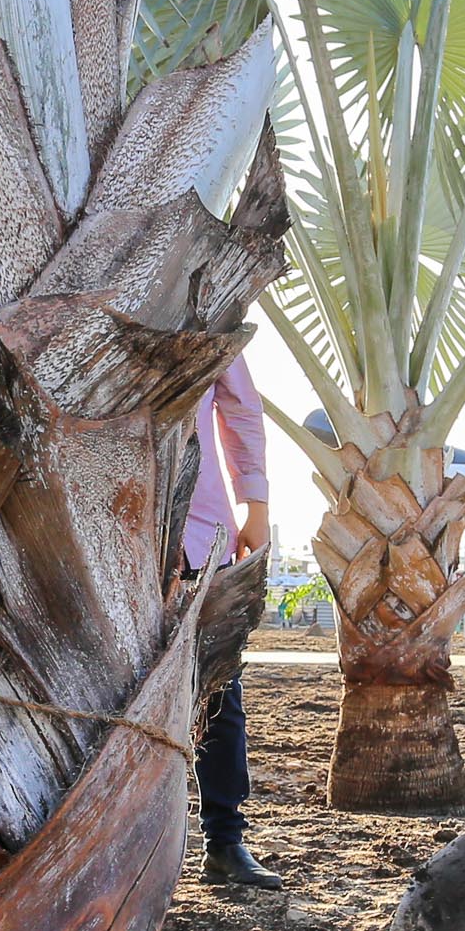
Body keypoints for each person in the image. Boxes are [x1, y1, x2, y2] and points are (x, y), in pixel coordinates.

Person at [190, 355, 281, 887]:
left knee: (220, 693)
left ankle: (224, 842)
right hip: (103, 529)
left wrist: (257, 504)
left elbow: (241, 407)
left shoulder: (202, 287)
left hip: (203, 534)